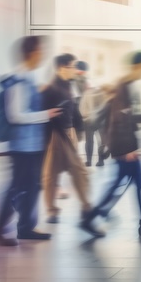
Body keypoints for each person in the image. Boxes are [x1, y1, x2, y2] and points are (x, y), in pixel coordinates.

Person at [79, 51, 141, 238]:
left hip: (124, 145)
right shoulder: (124, 87)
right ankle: (92, 216)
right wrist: (128, 149)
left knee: (134, 182)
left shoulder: (125, 85)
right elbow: (120, 120)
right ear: (137, 67)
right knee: (127, 183)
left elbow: (126, 116)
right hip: (124, 147)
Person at [0, 36, 63, 246]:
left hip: (33, 144)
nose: (43, 54)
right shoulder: (18, 78)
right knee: (15, 187)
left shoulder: (30, 77)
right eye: (41, 51)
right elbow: (16, 115)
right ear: (32, 53)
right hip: (21, 145)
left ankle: (26, 227)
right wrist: (46, 114)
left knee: (33, 186)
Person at [40, 54, 92, 225]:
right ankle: (56, 210)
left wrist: (78, 129)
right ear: (62, 67)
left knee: (75, 172)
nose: (75, 70)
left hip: (69, 133)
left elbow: (74, 109)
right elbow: (45, 116)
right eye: (72, 66)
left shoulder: (68, 86)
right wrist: (50, 138)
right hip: (57, 136)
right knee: (53, 175)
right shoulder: (51, 89)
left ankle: (84, 207)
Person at [79, 80, 110, 167]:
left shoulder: (86, 93)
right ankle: (101, 161)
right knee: (101, 141)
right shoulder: (103, 93)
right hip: (101, 121)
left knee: (89, 141)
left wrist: (85, 117)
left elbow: (82, 107)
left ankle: (89, 161)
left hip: (89, 121)